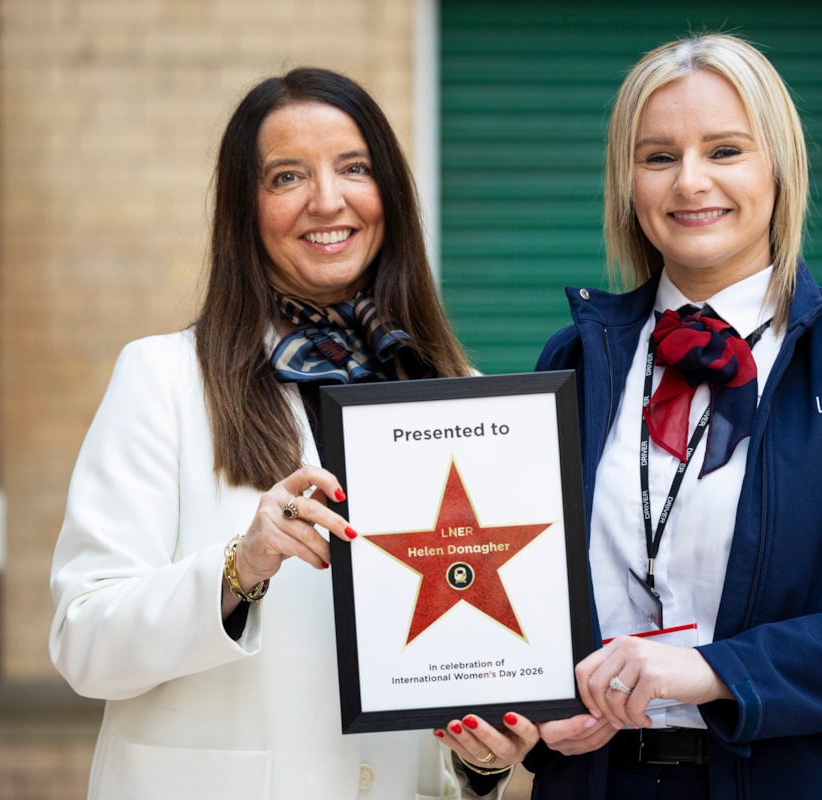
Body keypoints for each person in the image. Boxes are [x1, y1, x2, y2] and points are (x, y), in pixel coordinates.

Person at [495, 33, 822, 799]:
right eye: (658, 157)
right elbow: (521, 591)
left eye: (724, 150)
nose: (690, 182)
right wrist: (517, 708)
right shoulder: (574, 361)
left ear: (778, 169)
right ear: (629, 183)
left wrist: (717, 670)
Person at [49, 67, 533, 800]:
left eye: (354, 168)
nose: (328, 201)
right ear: (246, 209)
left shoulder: (463, 398)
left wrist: (481, 761)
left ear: (390, 197)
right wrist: (241, 566)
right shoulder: (163, 379)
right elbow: (83, 642)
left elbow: (463, 671)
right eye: (286, 177)